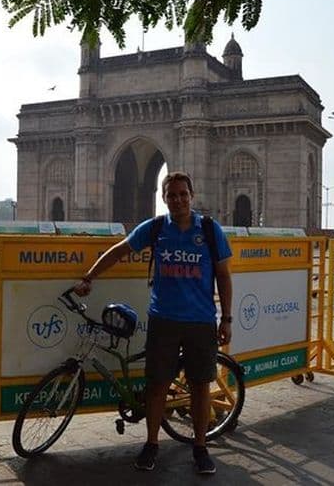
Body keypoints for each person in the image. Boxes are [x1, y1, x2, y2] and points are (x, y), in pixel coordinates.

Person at [74, 171, 232, 475]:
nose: (178, 200)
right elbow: (120, 251)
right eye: (172, 195)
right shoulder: (156, 228)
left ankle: (200, 447)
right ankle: (151, 444)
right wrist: (89, 277)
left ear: (192, 196)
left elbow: (224, 276)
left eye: (183, 194)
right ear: (163, 198)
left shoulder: (210, 230)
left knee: (200, 387)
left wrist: (226, 319)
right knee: (157, 385)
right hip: (164, 320)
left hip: (200, 321)